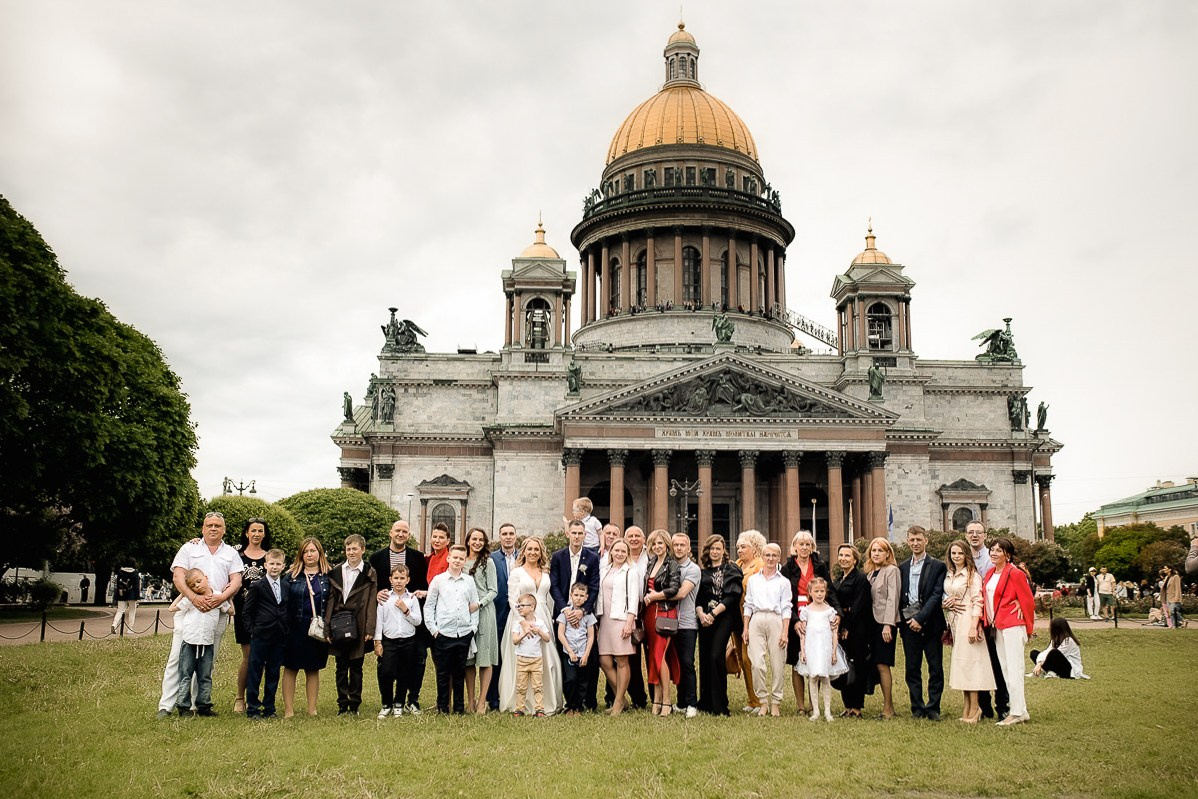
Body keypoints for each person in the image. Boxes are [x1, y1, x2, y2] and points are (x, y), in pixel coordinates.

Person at [156, 511, 243, 719]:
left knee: (206, 661)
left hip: (216, 613)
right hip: (190, 612)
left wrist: (221, 599)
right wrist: (194, 599)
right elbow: (178, 577)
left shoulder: (230, 553)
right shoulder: (189, 548)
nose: (213, 528)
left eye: (218, 526)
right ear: (203, 528)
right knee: (178, 658)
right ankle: (167, 705)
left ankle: (196, 704)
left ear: (224, 530)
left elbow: (236, 580)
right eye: (209, 525)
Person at [369, 519, 429, 712]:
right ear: (391, 533)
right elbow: (372, 585)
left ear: (408, 535)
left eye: (405, 531)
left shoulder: (418, 557)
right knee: (386, 665)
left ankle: (411, 700)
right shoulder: (377, 558)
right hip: (388, 618)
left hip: (412, 617)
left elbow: (423, 584)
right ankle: (388, 701)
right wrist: (377, 592)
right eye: (397, 531)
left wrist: (415, 597)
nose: (401, 534)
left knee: (416, 661)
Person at [499, 537, 563, 714]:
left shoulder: (545, 572)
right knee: (521, 659)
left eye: (536, 549)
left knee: (546, 657)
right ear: (524, 551)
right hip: (521, 617)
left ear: (541, 552)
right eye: (530, 549)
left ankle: (544, 702)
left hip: (542, 616)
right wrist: (523, 622)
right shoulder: (517, 572)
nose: (533, 552)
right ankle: (521, 703)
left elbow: (549, 597)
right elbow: (512, 599)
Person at [782, 530, 839, 715]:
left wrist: (837, 613)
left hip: (818, 617)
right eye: (801, 544)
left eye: (808, 544)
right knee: (797, 660)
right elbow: (783, 597)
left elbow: (829, 589)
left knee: (816, 659)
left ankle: (817, 706)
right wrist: (795, 620)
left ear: (812, 547)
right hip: (795, 616)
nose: (804, 547)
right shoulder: (787, 567)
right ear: (795, 547)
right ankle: (800, 706)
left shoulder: (820, 565)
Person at [550, 519, 602, 711]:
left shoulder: (592, 557)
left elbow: (595, 586)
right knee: (566, 658)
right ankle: (569, 701)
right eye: (574, 533)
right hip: (563, 612)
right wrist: (565, 609)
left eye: (581, 533)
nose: (577, 536)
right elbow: (554, 585)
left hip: (584, 613)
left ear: (585, 535)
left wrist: (582, 610)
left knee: (589, 660)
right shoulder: (558, 557)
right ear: (568, 534)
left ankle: (588, 701)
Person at [983, 536, 1035, 726]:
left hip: (1012, 625)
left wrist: (1026, 621)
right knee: (1005, 669)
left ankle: (1016, 712)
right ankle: (1020, 709)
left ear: (1008, 555)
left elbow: (1027, 600)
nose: (994, 553)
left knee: (1015, 668)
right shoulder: (989, 573)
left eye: (999, 550)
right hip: (997, 625)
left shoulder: (1015, 573)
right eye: (992, 549)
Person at [323, 534, 377, 716]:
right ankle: (342, 704)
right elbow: (330, 600)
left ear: (363, 550)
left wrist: (370, 627)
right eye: (348, 549)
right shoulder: (336, 571)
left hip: (359, 622)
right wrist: (328, 626)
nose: (351, 552)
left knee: (356, 666)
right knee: (340, 666)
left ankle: (354, 704)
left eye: (355, 549)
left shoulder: (369, 572)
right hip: (339, 622)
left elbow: (371, 600)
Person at [941, 539, 994, 723]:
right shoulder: (950, 574)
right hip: (955, 622)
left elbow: (978, 601)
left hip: (967, 622)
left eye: (960, 553)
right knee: (963, 665)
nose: (956, 556)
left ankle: (976, 708)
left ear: (966, 555)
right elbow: (948, 596)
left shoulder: (972, 575)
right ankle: (966, 707)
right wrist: (946, 603)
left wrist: (973, 626)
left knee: (972, 666)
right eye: (953, 553)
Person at [898, 525, 947, 720]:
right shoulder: (901, 567)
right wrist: (909, 620)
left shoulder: (937, 565)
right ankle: (917, 707)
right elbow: (902, 597)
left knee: (935, 667)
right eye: (912, 540)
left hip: (931, 624)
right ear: (908, 541)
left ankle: (933, 707)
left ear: (926, 540)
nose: (915, 543)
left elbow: (936, 596)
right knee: (912, 667)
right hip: (909, 625)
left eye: (919, 540)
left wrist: (920, 618)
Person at [425, 543, 480, 714]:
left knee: (459, 672)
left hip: (463, 633)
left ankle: (459, 707)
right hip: (443, 633)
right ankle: (443, 707)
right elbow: (429, 606)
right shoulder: (438, 581)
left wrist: (472, 628)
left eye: (461, 558)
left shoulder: (469, 581)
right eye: (454, 557)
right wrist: (434, 630)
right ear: (448, 558)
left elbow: (474, 605)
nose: (457, 561)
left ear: (464, 561)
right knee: (443, 673)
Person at [168, 568, 230, 716]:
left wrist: (227, 595)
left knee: (205, 675)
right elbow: (172, 608)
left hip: (207, 643)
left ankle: (204, 705)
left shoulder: (217, 597)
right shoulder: (191, 599)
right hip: (190, 641)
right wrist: (184, 593)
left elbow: (230, 611)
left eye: (199, 581)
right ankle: (183, 706)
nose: (197, 586)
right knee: (186, 674)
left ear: (206, 578)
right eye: (193, 585)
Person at [281, 538, 330, 717]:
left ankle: (312, 709)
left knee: (313, 668)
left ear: (319, 553)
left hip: (317, 630)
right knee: (290, 667)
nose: (309, 555)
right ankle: (288, 710)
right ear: (301, 555)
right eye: (306, 551)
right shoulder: (291, 575)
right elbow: (283, 602)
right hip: (294, 628)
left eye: (313, 551)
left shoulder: (328, 576)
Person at [743, 541, 791, 716]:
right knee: (756, 664)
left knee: (778, 663)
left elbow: (786, 607)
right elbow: (748, 604)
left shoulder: (783, 582)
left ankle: (776, 701)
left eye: (774, 555)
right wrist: (746, 628)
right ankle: (763, 701)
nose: (770, 558)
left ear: (778, 558)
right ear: (762, 557)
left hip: (775, 619)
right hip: (756, 619)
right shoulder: (753, 580)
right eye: (767, 555)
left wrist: (785, 631)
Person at [696, 534, 743, 717]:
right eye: (711, 549)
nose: (715, 552)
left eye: (718, 548)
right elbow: (698, 597)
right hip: (705, 618)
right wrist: (701, 614)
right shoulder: (703, 573)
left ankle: (720, 705)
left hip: (723, 617)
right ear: (707, 551)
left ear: (724, 551)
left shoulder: (731, 569)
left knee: (716, 656)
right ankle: (706, 702)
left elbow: (733, 596)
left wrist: (714, 614)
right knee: (705, 658)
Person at [243, 548, 289, 719]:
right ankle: (253, 707)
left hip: (279, 635)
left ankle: (269, 707)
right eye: (271, 564)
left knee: (274, 671)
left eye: (278, 564)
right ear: (265, 565)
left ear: (283, 566)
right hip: (261, 635)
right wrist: (253, 630)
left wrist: (286, 628)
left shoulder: (286, 586)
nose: (274, 567)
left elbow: (286, 608)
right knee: (255, 670)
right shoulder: (258, 586)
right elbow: (247, 612)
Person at [597, 539, 641, 715]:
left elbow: (634, 598)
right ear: (611, 551)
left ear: (627, 553)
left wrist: (630, 622)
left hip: (622, 619)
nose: (620, 554)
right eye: (617, 550)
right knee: (604, 661)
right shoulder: (605, 569)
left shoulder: (631, 571)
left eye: (624, 551)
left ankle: (618, 702)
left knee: (622, 660)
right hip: (606, 619)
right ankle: (622, 699)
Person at [232, 517, 271, 714]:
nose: (256, 534)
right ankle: (240, 698)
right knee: (248, 657)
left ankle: (254, 697)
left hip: (264, 614)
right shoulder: (236, 556)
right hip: (243, 614)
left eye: (260, 530)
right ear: (247, 533)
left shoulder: (269, 557)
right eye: (253, 530)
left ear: (265, 534)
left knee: (261, 658)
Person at [373, 564, 422, 717]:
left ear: (408, 580)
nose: (399, 581)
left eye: (402, 578)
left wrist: (405, 609)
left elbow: (418, 621)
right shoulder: (385, 598)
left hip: (408, 640)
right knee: (386, 672)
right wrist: (378, 642)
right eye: (396, 578)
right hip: (390, 641)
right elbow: (379, 621)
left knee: (404, 673)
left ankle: (399, 703)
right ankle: (386, 703)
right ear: (390, 579)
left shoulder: (412, 599)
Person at [796, 577, 848, 721]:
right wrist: (803, 652)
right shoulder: (806, 611)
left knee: (825, 679)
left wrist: (833, 652)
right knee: (812, 678)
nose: (819, 594)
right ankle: (816, 711)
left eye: (822, 591)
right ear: (810, 593)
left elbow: (834, 633)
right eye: (816, 591)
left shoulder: (830, 611)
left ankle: (827, 711)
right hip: (811, 648)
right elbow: (803, 634)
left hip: (825, 648)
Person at [642, 529, 682, 716]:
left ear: (667, 544)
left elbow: (674, 588)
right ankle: (656, 699)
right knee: (653, 657)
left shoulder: (671, 564)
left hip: (664, 613)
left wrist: (654, 596)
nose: (657, 547)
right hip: (649, 614)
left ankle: (666, 700)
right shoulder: (651, 562)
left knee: (660, 656)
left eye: (660, 543)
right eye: (654, 544)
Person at [832, 543, 873, 718]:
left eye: (847, 556)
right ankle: (847, 705)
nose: (843, 558)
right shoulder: (838, 580)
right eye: (841, 555)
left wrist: (847, 626)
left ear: (855, 559)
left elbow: (858, 605)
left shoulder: (860, 579)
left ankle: (857, 706)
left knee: (857, 665)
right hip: (840, 629)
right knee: (844, 665)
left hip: (857, 629)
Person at [464, 528, 499, 713]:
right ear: (468, 540)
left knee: (484, 659)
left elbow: (494, 590)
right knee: (469, 660)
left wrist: (480, 603)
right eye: (474, 539)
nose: (477, 542)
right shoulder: (461, 561)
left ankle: (482, 701)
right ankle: (470, 700)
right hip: (465, 614)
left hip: (484, 612)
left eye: (481, 540)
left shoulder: (488, 562)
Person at [865, 536, 900, 719]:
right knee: (875, 663)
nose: (876, 553)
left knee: (883, 664)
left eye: (880, 550)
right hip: (871, 623)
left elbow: (892, 599)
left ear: (888, 554)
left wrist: (888, 624)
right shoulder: (871, 573)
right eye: (874, 550)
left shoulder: (891, 571)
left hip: (884, 624)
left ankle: (889, 707)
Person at [487, 522, 519, 710]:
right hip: (498, 611)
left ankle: (516, 694)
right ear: (500, 537)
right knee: (496, 655)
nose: (508, 537)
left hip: (518, 612)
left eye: (511, 533)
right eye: (504, 534)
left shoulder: (523, 557)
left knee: (517, 654)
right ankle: (494, 698)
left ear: (516, 536)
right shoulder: (491, 558)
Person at [734, 529, 766, 712]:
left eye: (743, 547)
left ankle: (759, 699)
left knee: (750, 658)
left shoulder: (760, 566)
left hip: (751, 617)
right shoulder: (737, 565)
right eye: (738, 547)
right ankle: (751, 699)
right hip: (736, 617)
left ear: (754, 548)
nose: (739, 550)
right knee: (741, 658)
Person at [557, 582, 597, 715]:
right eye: (576, 595)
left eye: (581, 595)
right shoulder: (565, 614)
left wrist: (586, 655)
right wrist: (569, 651)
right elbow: (560, 634)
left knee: (583, 681)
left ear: (586, 597)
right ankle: (570, 705)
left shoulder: (588, 616)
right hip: (569, 653)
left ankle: (579, 706)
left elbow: (591, 636)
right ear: (571, 595)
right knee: (570, 679)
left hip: (583, 653)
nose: (578, 598)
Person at [511, 593, 551, 716]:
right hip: (522, 659)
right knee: (521, 686)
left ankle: (539, 709)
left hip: (536, 659)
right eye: (518, 606)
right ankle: (520, 708)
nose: (520, 608)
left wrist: (538, 631)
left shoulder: (539, 623)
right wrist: (523, 633)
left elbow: (547, 638)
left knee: (537, 686)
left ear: (532, 607)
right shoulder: (518, 624)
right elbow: (515, 641)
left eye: (522, 605)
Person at [112, 558, 141, 635]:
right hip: (132, 594)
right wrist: (138, 597)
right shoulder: (135, 573)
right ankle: (130, 628)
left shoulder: (120, 572)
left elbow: (118, 584)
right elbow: (136, 586)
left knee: (120, 610)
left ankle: (114, 624)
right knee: (132, 610)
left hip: (121, 593)